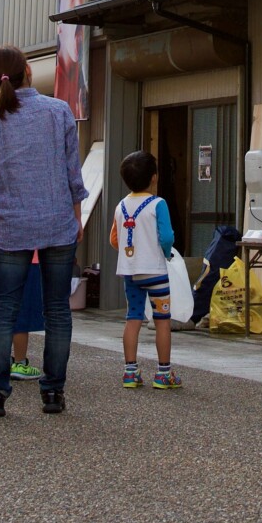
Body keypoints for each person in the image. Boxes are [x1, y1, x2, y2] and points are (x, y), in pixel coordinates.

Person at [0, 45, 86, 419]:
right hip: (58, 221)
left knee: (4, 308)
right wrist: (77, 216)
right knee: (58, 310)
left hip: (12, 224)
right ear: (28, 72)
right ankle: (53, 393)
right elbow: (72, 172)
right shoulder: (58, 110)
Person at [110, 150, 180, 391]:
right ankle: (163, 374)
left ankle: (130, 372)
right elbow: (167, 236)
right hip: (155, 271)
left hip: (130, 272)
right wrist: (167, 252)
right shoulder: (158, 204)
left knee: (133, 318)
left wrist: (132, 253)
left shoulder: (121, 206)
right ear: (154, 177)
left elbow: (114, 239)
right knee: (162, 321)